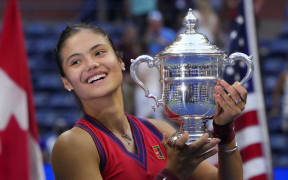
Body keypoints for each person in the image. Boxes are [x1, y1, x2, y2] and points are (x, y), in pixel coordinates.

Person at [51, 24, 247, 180]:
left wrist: (224, 129)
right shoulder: (72, 144)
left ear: (121, 62)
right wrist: (173, 174)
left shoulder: (159, 130)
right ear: (67, 82)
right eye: (76, 62)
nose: (92, 64)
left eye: (99, 52)